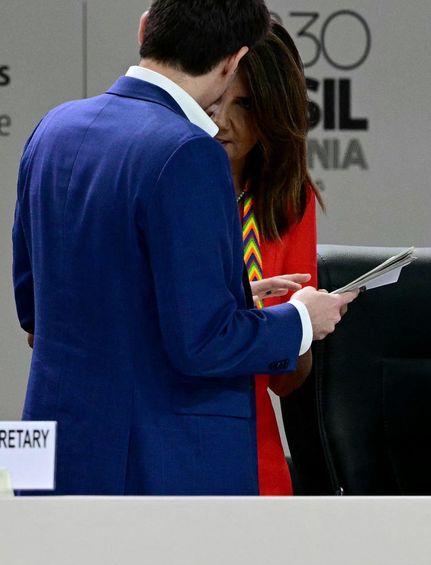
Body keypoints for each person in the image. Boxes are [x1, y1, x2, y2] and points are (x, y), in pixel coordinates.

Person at [11, 0, 355, 495]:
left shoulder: (52, 129)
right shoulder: (188, 151)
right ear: (234, 61)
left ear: (145, 28)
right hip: (158, 468)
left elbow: (35, 311)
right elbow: (202, 343)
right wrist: (301, 318)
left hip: (49, 459)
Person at [211, 21, 321, 495]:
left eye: (246, 105)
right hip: (167, 438)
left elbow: (288, 381)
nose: (222, 122)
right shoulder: (161, 185)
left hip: (253, 451)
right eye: (216, 101)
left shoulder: (289, 200)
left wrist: (300, 328)